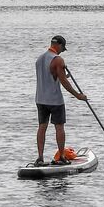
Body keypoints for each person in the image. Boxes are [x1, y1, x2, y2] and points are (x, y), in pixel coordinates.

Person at [34, 35, 86, 166]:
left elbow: (51, 76)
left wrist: (62, 73)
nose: (62, 51)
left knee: (42, 127)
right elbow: (63, 82)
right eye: (63, 48)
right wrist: (78, 95)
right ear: (60, 45)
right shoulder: (58, 60)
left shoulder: (39, 59)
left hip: (40, 99)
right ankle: (62, 157)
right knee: (59, 127)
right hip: (55, 100)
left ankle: (40, 157)